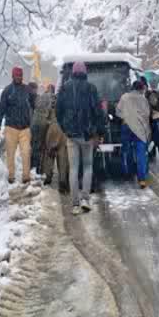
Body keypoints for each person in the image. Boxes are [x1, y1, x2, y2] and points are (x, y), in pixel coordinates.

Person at [57, 61, 105, 215]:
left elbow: (58, 111)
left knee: (73, 169)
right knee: (88, 167)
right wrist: (100, 132)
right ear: (84, 72)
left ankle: (75, 204)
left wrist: (65, 128)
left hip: (71, 135)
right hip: (87, 135)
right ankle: (85, 199)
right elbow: (98, 112)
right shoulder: (91, 88)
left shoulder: (65, 88)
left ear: (72, 72)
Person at [0, 66, 33, 184]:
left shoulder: (27, 90)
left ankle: (26, 177)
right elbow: (1, 110)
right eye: (17, 75)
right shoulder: (7, 91)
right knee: (10, 154)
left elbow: (34, 105)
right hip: (10, 127)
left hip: (25, 128)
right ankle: (11, 176)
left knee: (26, 152)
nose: (19, 77)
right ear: (13, 76)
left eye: (20, 75)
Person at [117, 80, 152, 188]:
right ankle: (142, 179)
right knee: (141, 153)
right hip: (139, 128)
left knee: (126, 151)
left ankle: (128, 172)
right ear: (141, 89)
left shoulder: (124, 97)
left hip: (126, 126)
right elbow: (147, 114)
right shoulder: (143, 99)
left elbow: (118, 112)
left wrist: (127, 116)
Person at [41, 102, 69, 195]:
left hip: (52, 128)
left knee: (50, 154)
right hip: (63, 130)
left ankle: (48, 177)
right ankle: (63, 182)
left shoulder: (51, 105)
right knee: (63, 157)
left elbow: (45, 121)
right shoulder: (67, 104)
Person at [30, 84, 55, 174]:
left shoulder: (40, 97)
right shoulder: (52, 98)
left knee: (33, 144)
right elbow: (51, 112)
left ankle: (31, 165)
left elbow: (34, 106)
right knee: (40, 146)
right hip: (42, 123)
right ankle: (37, 168)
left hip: (34, 121)